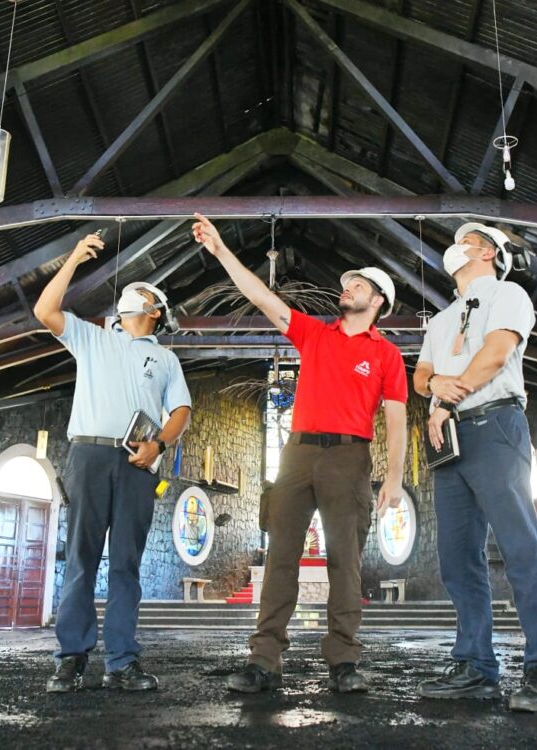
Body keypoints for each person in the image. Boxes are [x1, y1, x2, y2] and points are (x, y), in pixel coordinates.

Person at [191, 213, 408, 694]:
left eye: (357, 285)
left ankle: (344, 663)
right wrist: (222, 250)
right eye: (347, 282)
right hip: (295, 454)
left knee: (345, 562)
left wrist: (393, 479)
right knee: (281, 556)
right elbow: (261, 297)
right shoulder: (315, 333)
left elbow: (395, 420)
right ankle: (264, 661)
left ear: (377, 301)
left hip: (349, 459)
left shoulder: (387, 355)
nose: (346, 287)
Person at [413, 222, 537, 712]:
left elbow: (496, 353)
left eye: (466, 241)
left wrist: (448, 391)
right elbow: (420, 376)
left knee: (521, 548)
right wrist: (437, 391)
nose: (455, 247)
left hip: (496, 426)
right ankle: (475, 666)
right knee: (458, 557)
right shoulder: (439, 321)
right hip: (450, 439)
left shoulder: (509, 294)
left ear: (484, 252)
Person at [34, 231, 192, 694]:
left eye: (142, 292)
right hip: (88, 454)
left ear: (155, 310)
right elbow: (45, 311)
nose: (131, 293)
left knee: (126, 563)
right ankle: (71, 658)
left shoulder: (165, 358)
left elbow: (181, 411)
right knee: (80, 559)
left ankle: (121, 661)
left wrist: (158, 447)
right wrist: (73, 260)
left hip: (137, 462)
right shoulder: (91, 337)